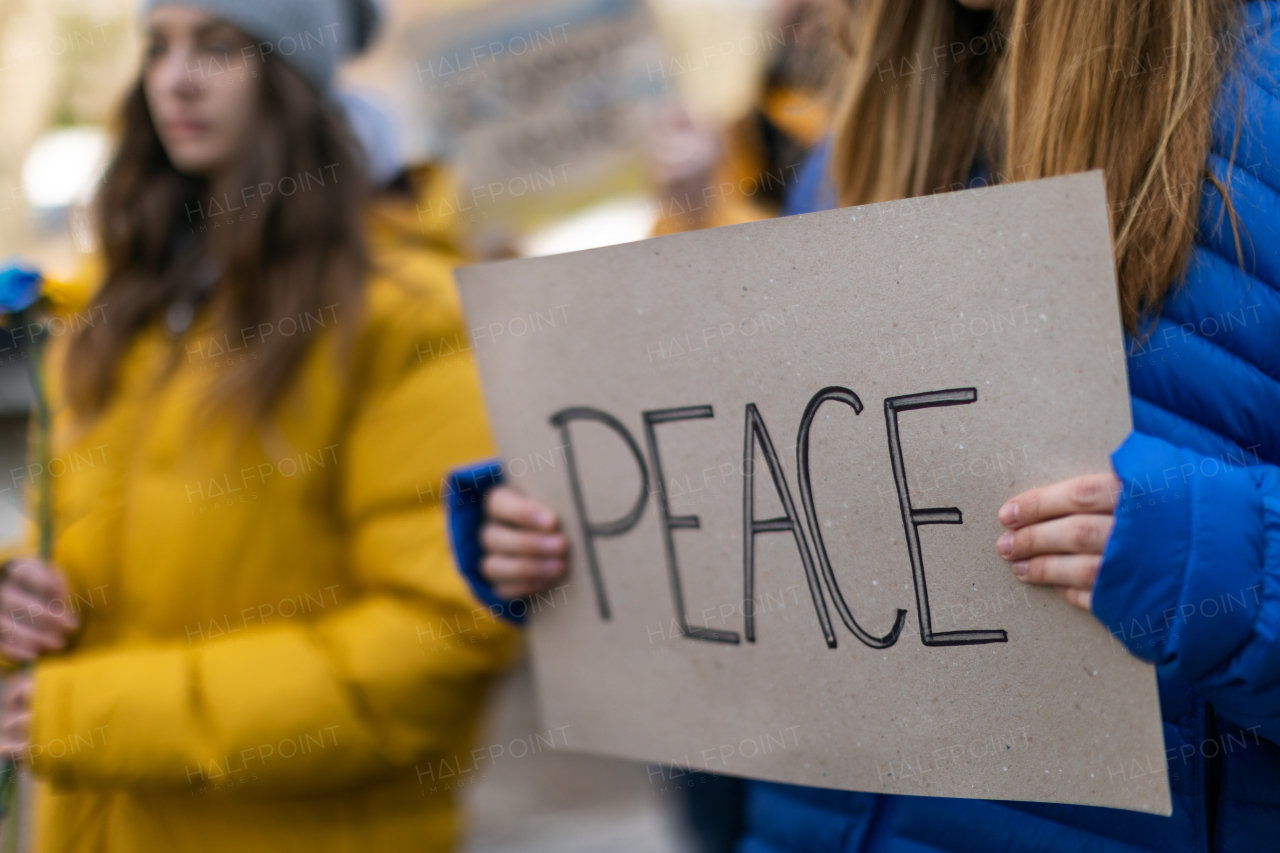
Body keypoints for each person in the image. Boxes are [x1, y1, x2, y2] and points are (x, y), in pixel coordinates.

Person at [495, 0, 1280, 850]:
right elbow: (791, 512)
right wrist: (577, 527)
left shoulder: (1259, 106)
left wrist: (1225, 562)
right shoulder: (851, 150)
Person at [0, 1, 566, 850]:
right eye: (158, 46)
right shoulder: (120, 311)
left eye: (219, 45)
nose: (175, 78)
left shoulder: (405, 317)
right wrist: (16, 599)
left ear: (291, 71)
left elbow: (435, 643)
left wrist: (93, 712)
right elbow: (89, 559)